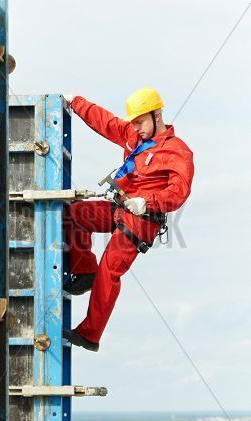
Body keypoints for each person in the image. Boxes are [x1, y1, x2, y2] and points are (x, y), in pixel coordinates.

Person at [62, 87, 194, 352]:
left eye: (141, 121)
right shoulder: (134, 136)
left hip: (142, 220)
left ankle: (90, 334)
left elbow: (179, 191)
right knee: (73, 215)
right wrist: (76, 101)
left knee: (109, 270)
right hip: (120, 207)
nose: (137, 127)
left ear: (157, 115)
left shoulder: (178, 152)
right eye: (134, 122)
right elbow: (106, 123)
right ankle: (85, 271)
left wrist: (147, 202)